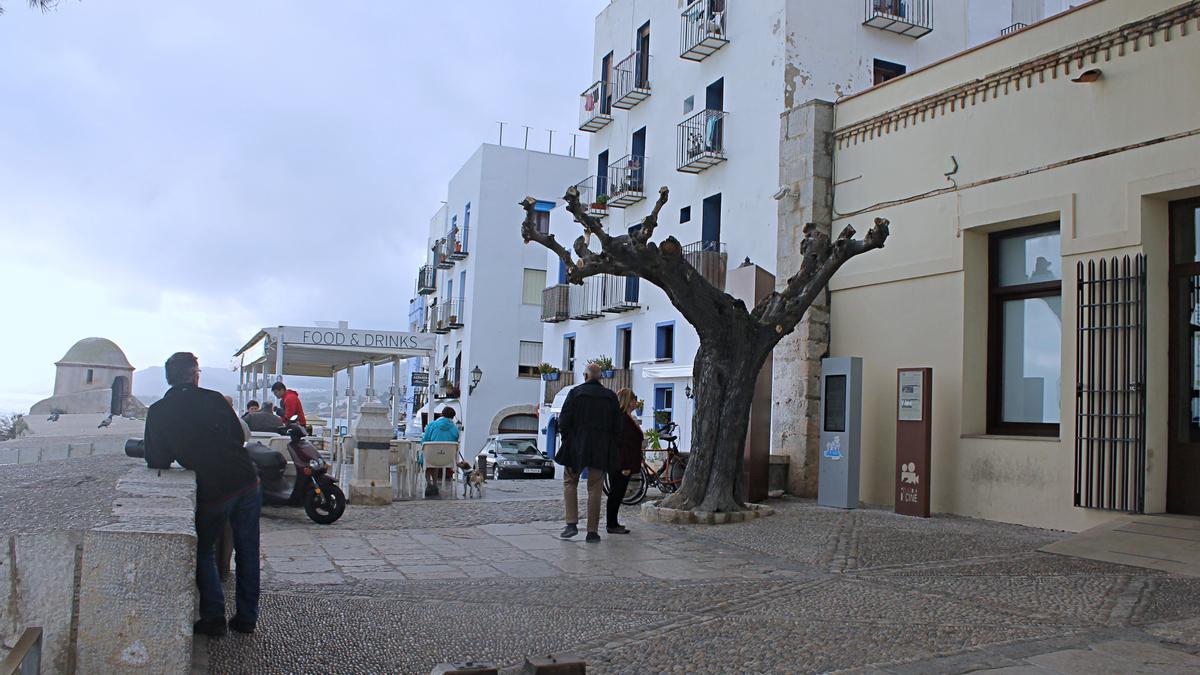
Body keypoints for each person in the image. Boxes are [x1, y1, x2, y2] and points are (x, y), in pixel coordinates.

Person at [143, 352, 261, 637]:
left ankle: (213, 617)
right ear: (195, 374)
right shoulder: (215, 399)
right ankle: (246, 619)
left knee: (202, 551)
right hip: (246, 480)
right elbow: (238, 436)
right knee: (248, 551)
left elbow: (157, 460)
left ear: (169, 378)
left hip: (213, 489)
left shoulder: (158, 411)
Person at [556, 362, 622, 542]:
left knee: (570, 481)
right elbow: (618, 426)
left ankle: (571, 523)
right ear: (600, 378)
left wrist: (567, 439)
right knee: (595, 487)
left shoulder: (575, 393)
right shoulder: (610, 397)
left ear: (585, 376)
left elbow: (564, 420)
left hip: (576, 444)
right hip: (600, 447)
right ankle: (592, 531)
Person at [607, 388, 644, 535]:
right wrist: (625, 465)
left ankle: (614, 522)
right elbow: (622, 445)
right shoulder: (622, 420)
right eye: (634, 398)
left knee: (618, 493)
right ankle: (611, 524)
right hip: (621, 463)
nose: (636, 401)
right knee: (616, 493)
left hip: (625, 462)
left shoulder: (627, 419)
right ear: (628, 401)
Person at [420, 407, 460, 493]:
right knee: (438, 458)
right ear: (453, 417)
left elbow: (424, 440)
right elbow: (455, 441)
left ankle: (429, 483)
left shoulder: (432, 425)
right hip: (447, 459)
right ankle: (434, 484)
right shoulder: (455, 429)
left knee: (427, 459)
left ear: (441, 414)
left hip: (432, 457)